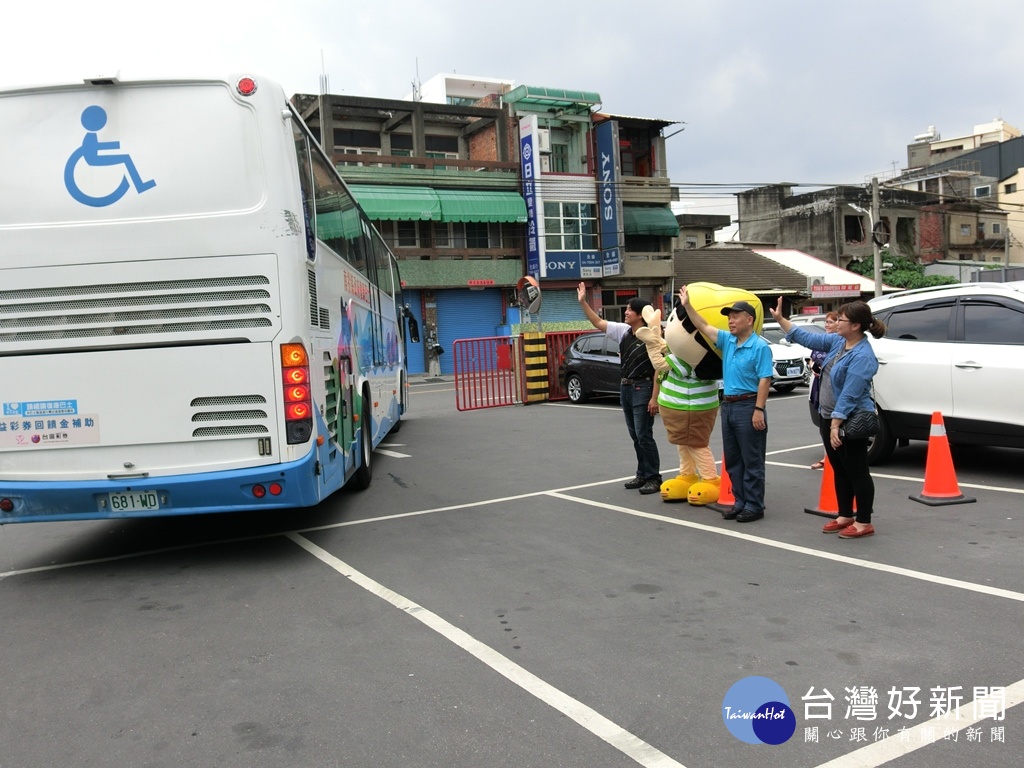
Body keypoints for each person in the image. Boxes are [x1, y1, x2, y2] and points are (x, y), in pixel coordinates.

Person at [770, 298, 887, 538]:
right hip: (829, 416)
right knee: (839, 468)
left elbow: (850, 394)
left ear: (855, 326)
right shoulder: (838, 342)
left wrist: (836, 424)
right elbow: (808, 338)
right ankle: (845, 514)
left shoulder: (863, 355)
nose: (836, 323)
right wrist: (781, 320)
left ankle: (864, 521)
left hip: (849, 419)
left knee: (857, 470)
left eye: (841, 320)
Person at [678, 286, 772, 522]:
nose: (730, 321)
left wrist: (759, 409)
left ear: (749, 320)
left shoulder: (760, 346)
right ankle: (740, 502)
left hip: (748, 405)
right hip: (728, 406)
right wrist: (688, 305)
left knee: (752, 459)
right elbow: (702, 326)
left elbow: (765, 379)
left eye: (735, 317)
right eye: (729, 318)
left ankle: (754, 505)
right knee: (733, 459)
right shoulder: (728, 341)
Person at [577, 282, 662, 494]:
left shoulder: (652, 335)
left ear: (640, 315)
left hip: (643, 387)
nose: (626, 312)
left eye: (630, 309)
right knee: (635, 435)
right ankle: (642, 474)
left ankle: (654, 477)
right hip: (625, 388)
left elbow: (658, 368)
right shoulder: (624, 331)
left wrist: (654, 398)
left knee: (644, 435)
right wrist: (583, 302)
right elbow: (597, 321)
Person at [637, 307, 721, 504]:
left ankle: (711, 480)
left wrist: (651, 342)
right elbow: (666, 346)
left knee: (697, 445)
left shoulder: (690, 360)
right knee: (684, 444)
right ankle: (687, 475)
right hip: (686, 407)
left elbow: (659, 363)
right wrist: (656, 334)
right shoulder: (684, 353)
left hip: (691, 408)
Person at [809, 312, 839, 469]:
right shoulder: (820, 342)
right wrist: (813, 366)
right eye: (826, 322)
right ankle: (826, 455)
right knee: (822, 422)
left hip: (831, 388)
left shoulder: (839, 344)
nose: (827, 325)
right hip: (818, 386)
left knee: (832, 422)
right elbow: (811, 359)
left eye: (831, 322)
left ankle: (831, 457)